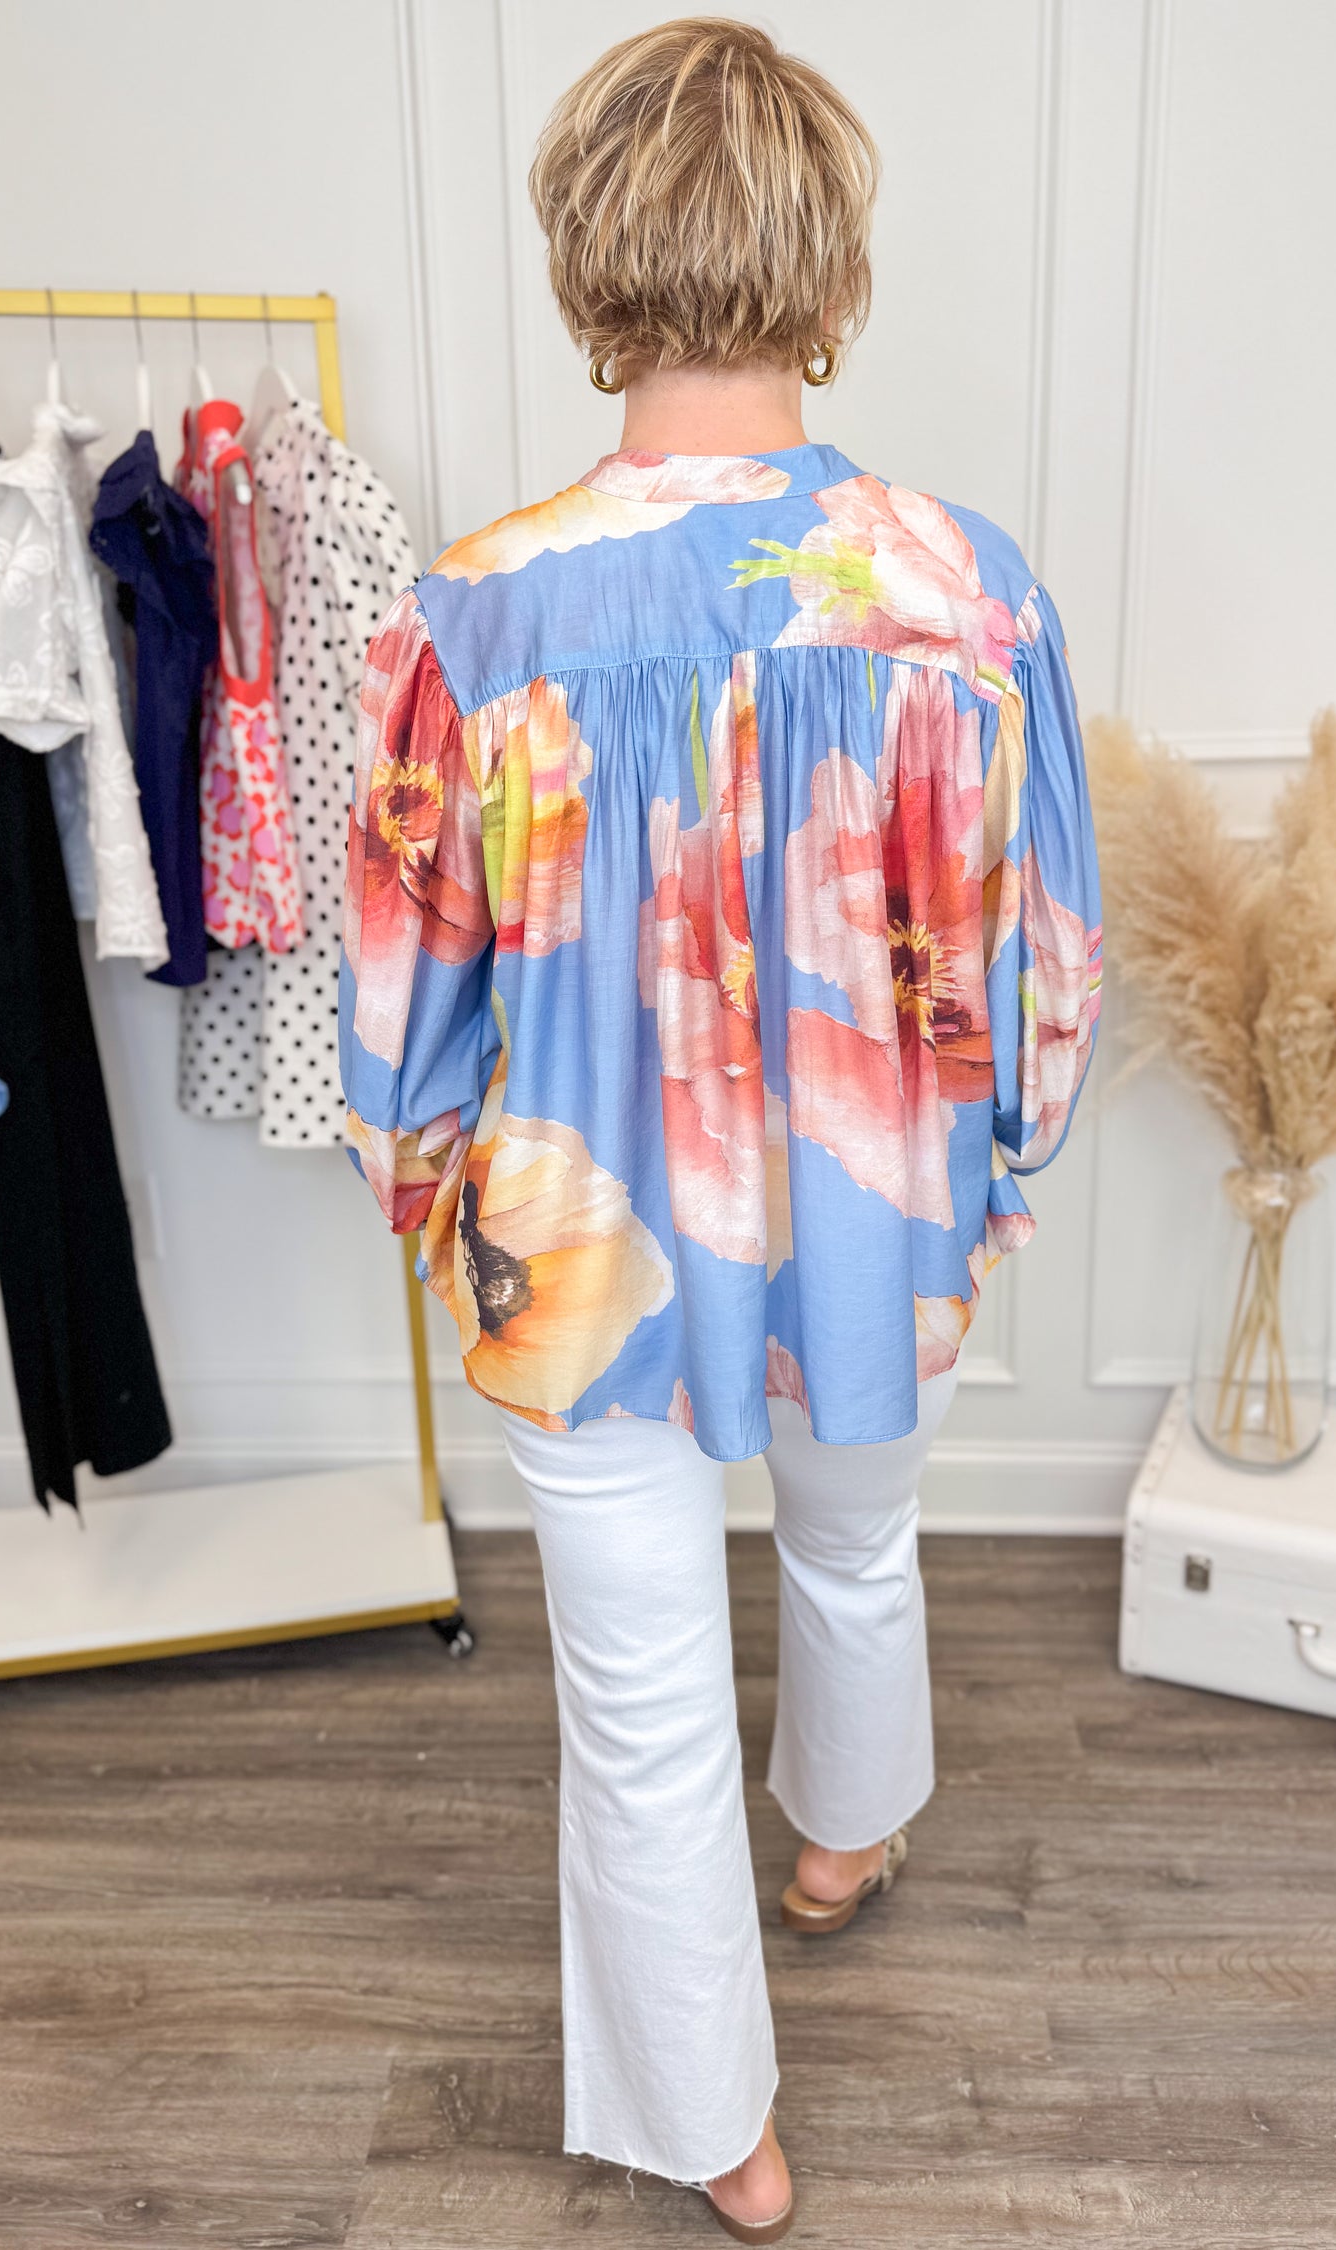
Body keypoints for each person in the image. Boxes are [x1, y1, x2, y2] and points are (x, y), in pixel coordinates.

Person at [339, 17, 1101, 2239]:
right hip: (878, 1214)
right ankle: (849, 1839)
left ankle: (725, 2139)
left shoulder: (471, 613)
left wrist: (427, 1179)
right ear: (830, 269)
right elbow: (1047, 946)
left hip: (576, 1244)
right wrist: (1010, 1154)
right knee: (859, 1540)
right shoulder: (972, 592)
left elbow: (409, 999)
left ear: (585, 263)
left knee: (642, 1689)